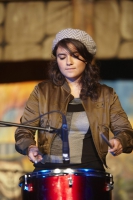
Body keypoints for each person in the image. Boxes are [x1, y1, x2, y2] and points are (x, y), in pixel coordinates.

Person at [15, 28, 133, 172]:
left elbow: (125, 130)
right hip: (49, 173)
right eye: (62, 57)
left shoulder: (105, 94)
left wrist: (120, 141)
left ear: (87, 58)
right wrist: (30, 147)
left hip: (90, 173)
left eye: (75, 56)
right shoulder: (42, 91)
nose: (68, 62)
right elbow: (24, 130)